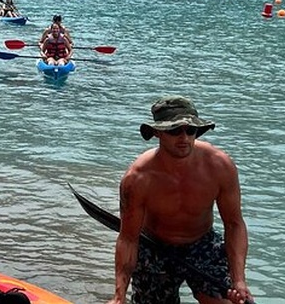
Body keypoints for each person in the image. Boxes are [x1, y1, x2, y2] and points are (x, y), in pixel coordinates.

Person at [106, 96, 253, 304]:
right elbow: (128, 238)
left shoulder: (220, 166)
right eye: (174, 131)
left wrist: (239, 281)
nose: (184, 138)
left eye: (190, 130)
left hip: (202, 244)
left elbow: (234, 223)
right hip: (155, 246)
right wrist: (118, 295)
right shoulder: (137, 178)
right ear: (158, 132)